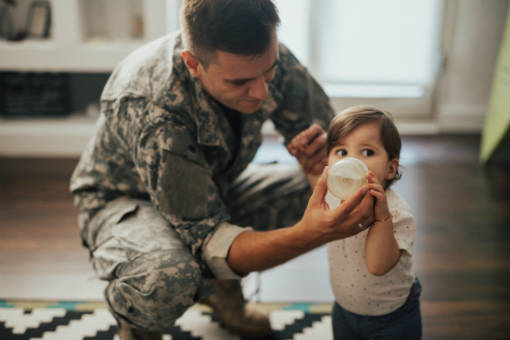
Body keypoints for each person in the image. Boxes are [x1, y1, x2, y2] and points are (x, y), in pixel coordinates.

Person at [69, 0, 375, 338]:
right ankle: (139, 321)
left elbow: (335, 140)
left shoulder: (260, 56)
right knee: (168, 275)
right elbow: (210, 239)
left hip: (215, 187)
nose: (261, 91)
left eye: (269, 72)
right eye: (240, 82)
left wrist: (326, 162)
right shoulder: (153, 106)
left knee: (353, 187)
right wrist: (312, 233)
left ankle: (220, 292)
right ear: (193, 64)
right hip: (125, 203)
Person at [322, 105, 422, 339]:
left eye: (367, 152)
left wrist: (381, 217)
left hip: (391, 318)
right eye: (341, 152)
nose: (352, 161)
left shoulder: (396, 214)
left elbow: (377, 265)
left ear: (390, 168)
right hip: (344, 308)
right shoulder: (332, 196)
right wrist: (306, 164)